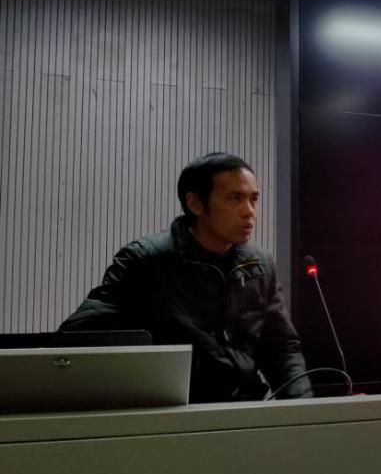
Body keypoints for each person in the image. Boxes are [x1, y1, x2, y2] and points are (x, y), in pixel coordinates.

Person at [60, 152, 312, 402]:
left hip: (243, 408)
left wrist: (304, 411)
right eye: (235, 198)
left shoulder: (258, 264)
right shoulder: (148, 261)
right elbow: (79, 334)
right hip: (174, 410)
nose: (249, 212)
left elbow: (282, 348)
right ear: (196, 204)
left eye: (253, 199)